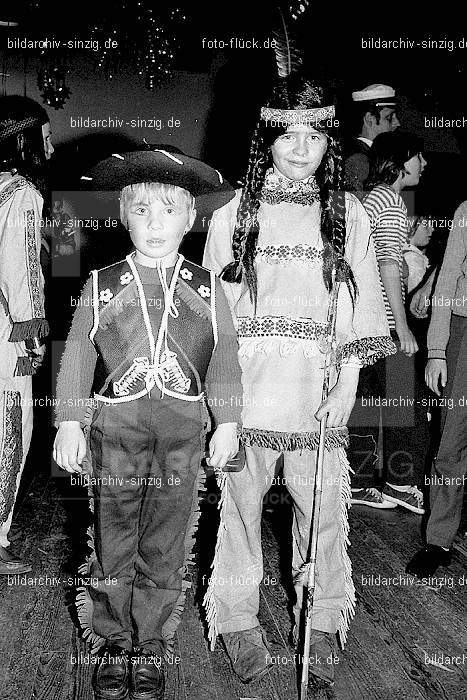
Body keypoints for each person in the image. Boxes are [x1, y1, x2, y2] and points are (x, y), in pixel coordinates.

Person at [202, 75, 395, 687]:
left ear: (329, 143)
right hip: (249, 395)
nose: (302, 147)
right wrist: (223, 406)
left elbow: (361, 308)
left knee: (325, 512)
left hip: (317, 393)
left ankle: (326, 613)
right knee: (238, 514)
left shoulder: (347, 213)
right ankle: (235, 621)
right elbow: (215, 317)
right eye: (290, 134)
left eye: (315, 135)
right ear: (267, 139)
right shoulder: (236, 215)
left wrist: (346, 387)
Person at [53, 149, 242, 700]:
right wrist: (67, 422)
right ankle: (112, 641)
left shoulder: (210, 289)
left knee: (166, 539)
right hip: (117, 430)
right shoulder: (101, 284)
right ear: (122, 214)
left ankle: (151, 643)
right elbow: (76, 360)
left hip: (184, 432)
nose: (155, 223)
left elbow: (225, 359)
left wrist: (227, 421)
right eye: (141, 210)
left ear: (192, 218)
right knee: (113, 536)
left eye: (168, 211)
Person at [350, 131, 428, 513]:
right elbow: (388, 264)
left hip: (358, 321)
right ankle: (401, 483)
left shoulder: (365, 199)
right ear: (400, 162)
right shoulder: (393, 202)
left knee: (362, 402)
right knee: (406, 406)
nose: (423, 165)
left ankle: (359, 481)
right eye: (418, 158)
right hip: (383, 322)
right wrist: (402, 326)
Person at [0, 95, 52, 575]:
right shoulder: (22, 195)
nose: (50, 145)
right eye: (45, 135)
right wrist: (33, 341)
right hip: (6, 337)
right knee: (11, 430)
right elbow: (22, 276)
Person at [406, 201, 467, 578]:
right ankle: (439, 539)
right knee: (451, 441)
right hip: (462, 331)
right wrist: (437, 351)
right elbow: (445, 280)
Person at [343, 84, 400, 197]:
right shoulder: (358, 159)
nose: (397, 123)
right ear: (370, 120)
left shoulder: (373, 155)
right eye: (389, 118)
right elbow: (344, 210)